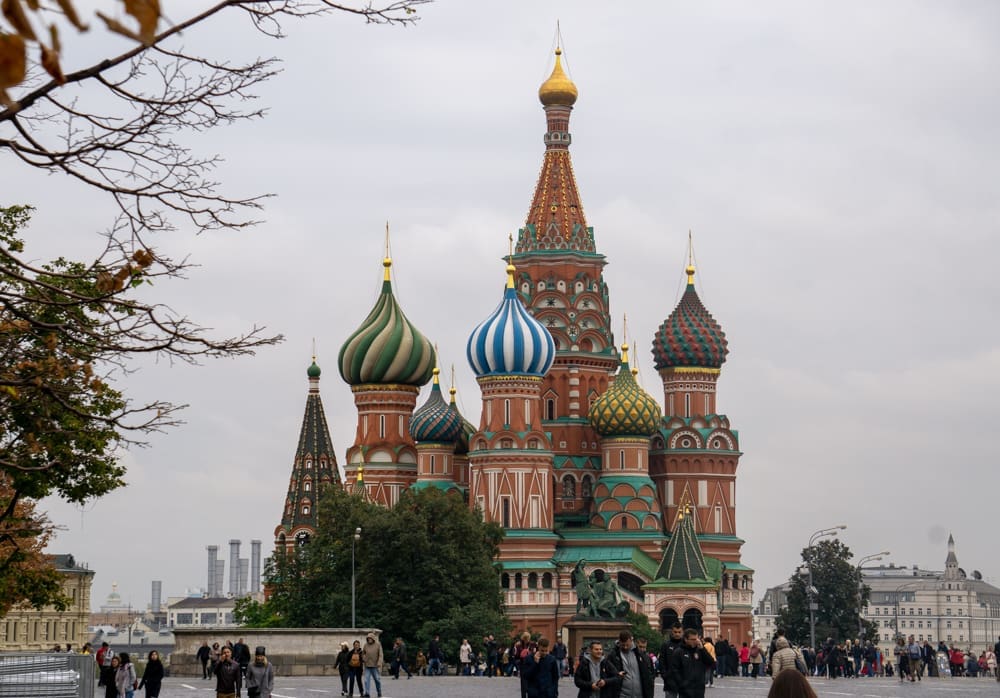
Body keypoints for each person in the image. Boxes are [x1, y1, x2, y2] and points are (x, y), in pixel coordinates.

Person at [669, 629, 715, 698]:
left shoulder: (700, 651)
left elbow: (711, 662)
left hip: (699, 689)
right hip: (685, 690)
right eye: (693, 639)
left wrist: (702, 649)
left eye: (696, 639)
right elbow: (674, 670)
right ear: (686, 639)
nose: (696, 641)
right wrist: (681, 684)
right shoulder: (679, 652)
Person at [606, 630, 651, 698]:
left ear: (631, 640)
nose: (625, 647)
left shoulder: (639, 653)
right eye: (623, 645)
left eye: (627, 645)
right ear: (619, 641)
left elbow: (649, 673)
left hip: (639, 695)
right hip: (622, 695)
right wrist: (616, 673)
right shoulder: (613, 655)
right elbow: (608, 673)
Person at [659, 623, 684, 697]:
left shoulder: (686, 645)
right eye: (675, 632)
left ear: (682, 632)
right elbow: (662, 661)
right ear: (672, 632)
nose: (677, 634)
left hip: (684, 681)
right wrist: (665, 675)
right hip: (670, 680)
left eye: (679, 632)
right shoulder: (666, 645)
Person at [362, 632, 383, 698]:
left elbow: (381, 655)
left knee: (377, 680)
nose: (369, 639)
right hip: (367, 665)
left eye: (370, 638)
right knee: (366, 680)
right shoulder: (365, 645)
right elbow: (363, 653)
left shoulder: (378, 645)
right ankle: (367, 693)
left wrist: (379, 662)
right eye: (368, 638)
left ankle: (379, 692)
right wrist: (364, 658)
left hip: (375, 666)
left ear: (373, 638)